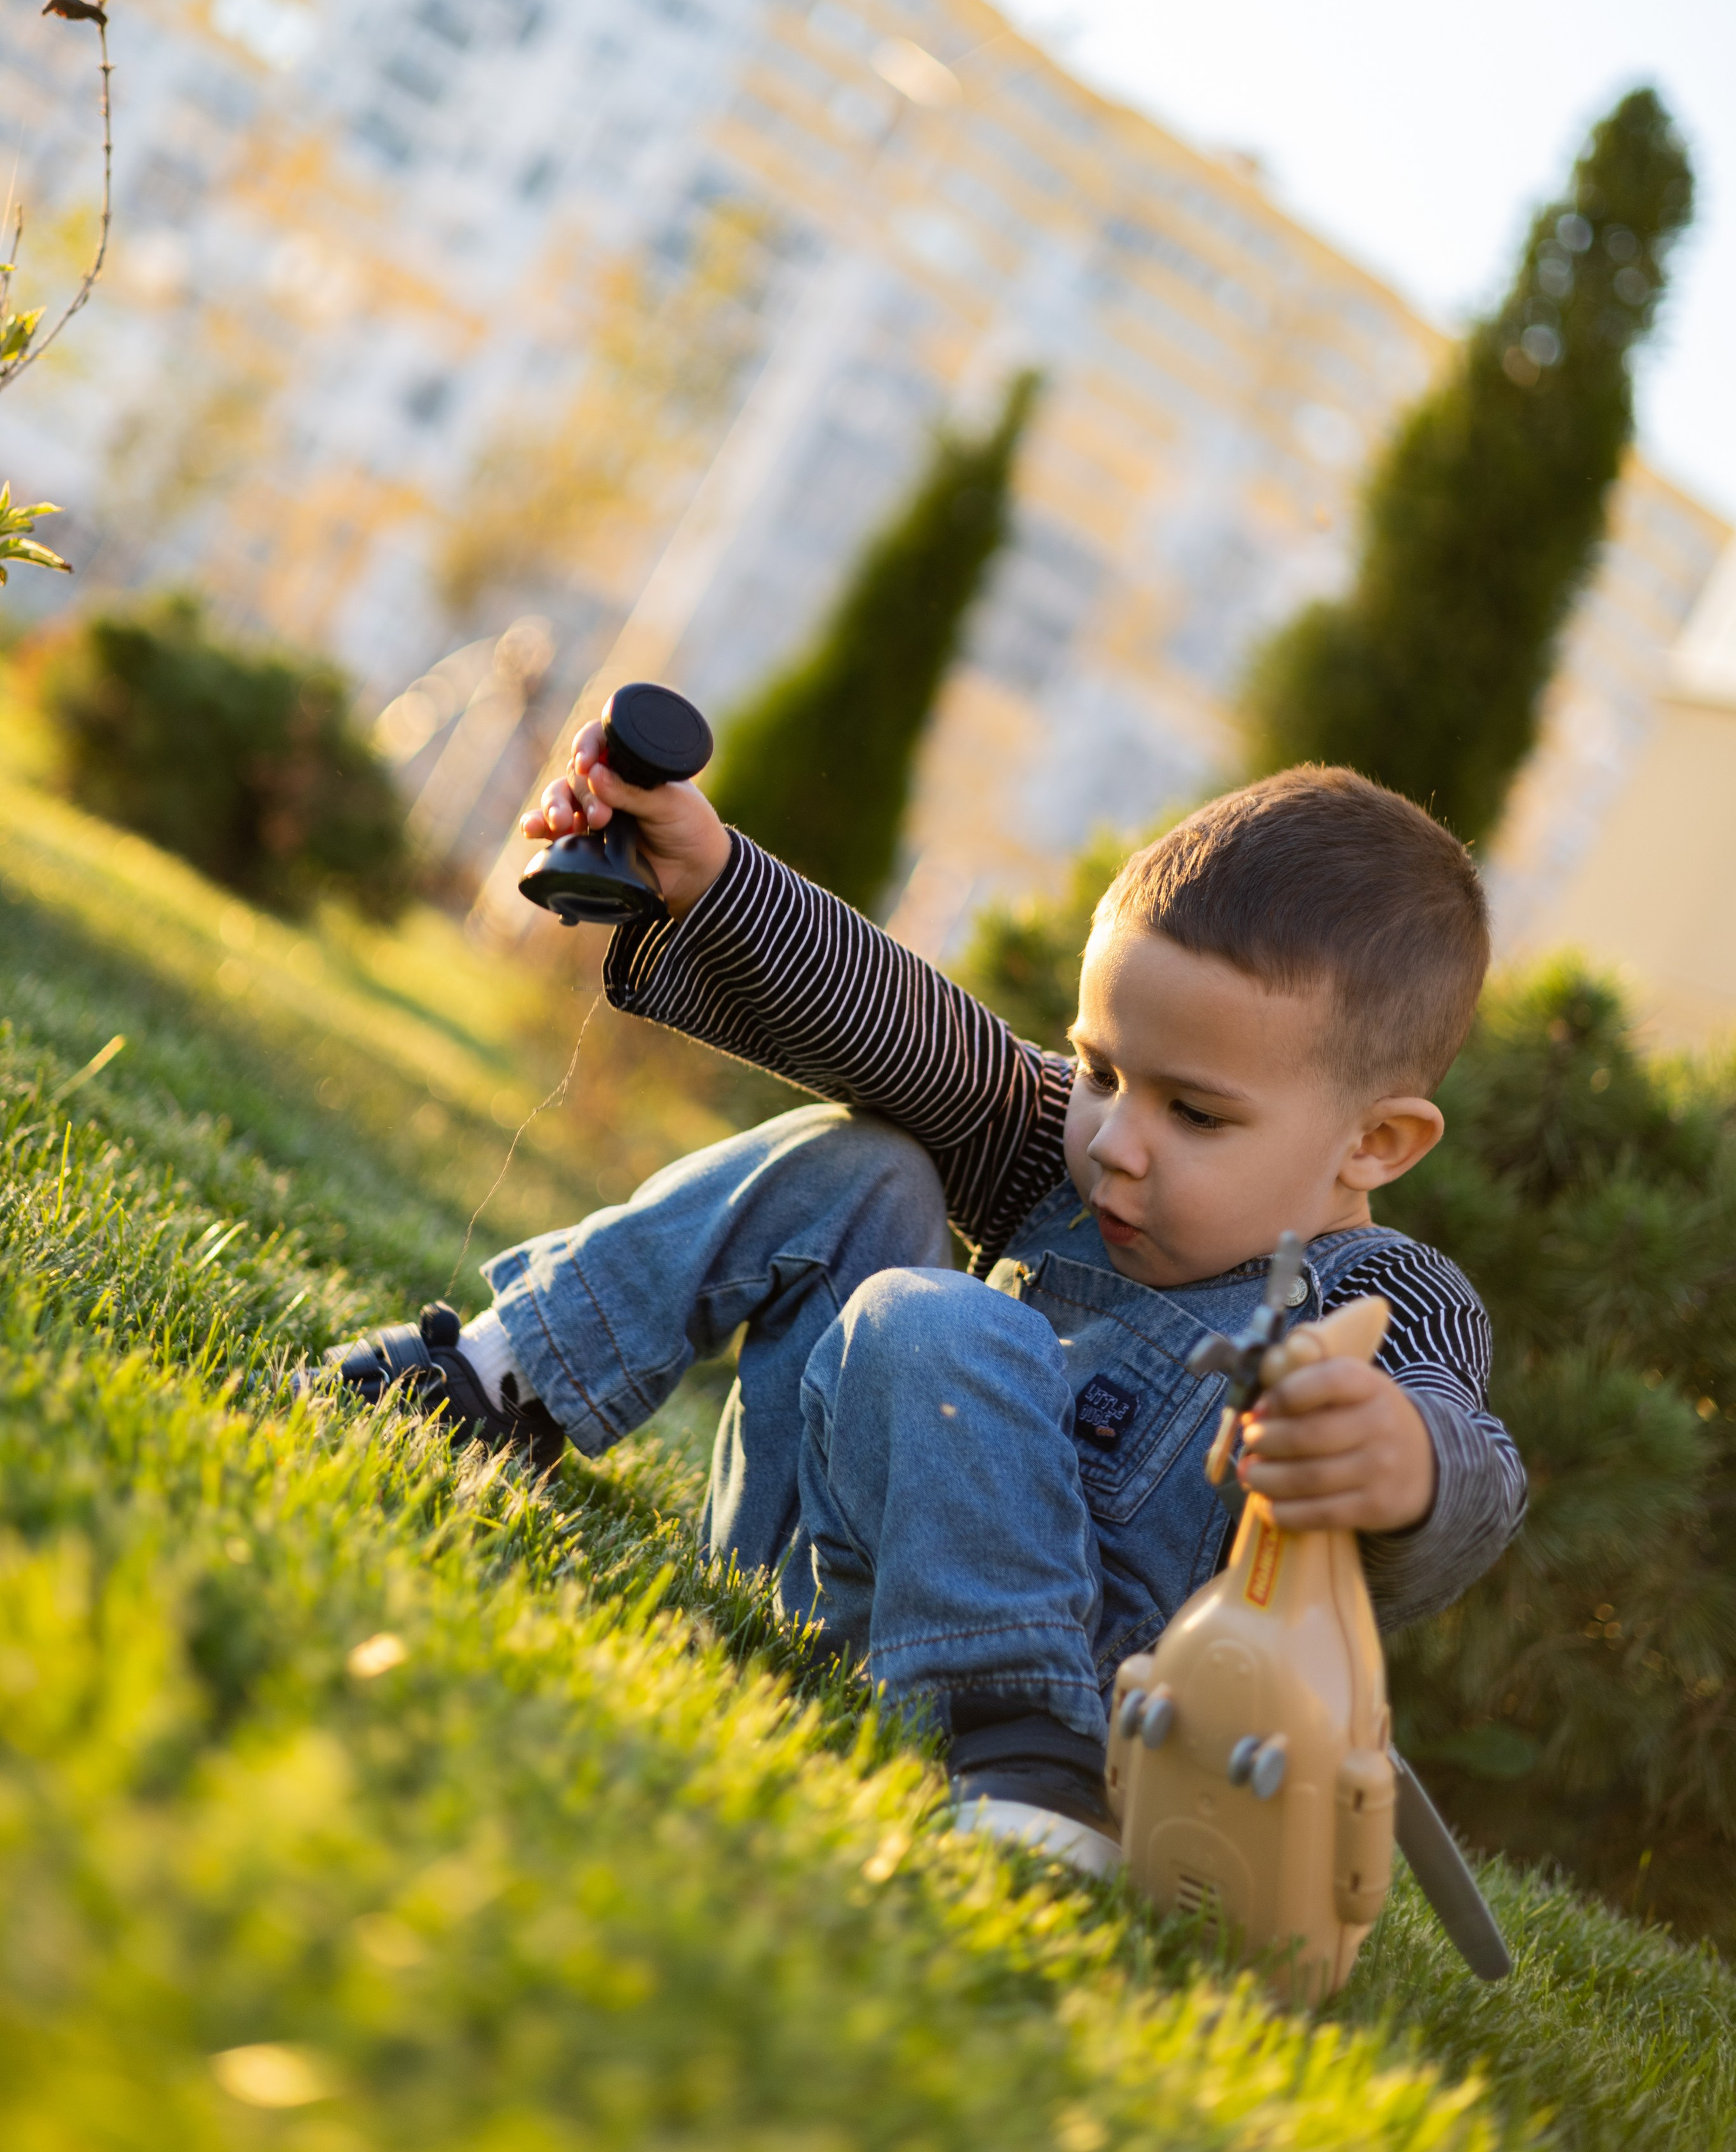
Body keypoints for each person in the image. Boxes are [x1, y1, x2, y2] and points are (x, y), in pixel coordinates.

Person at [321, 733, 1524, 1876]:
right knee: (863, 1164)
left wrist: (1405, 1461)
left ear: (1374, 1141)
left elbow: (1475, 1472)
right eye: (1101, 1070)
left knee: (939, 1318)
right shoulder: (1067, 1163)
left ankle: (1033, 1760)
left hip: (1089, 1701)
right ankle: (502, 1382)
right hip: (812, 1579)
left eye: (1195, 1114)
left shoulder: (1382, 1299)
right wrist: (713, 875)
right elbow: (915, 1038)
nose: (1115, 1142)